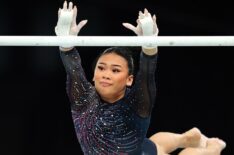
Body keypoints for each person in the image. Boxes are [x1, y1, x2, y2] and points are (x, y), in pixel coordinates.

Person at [55, 1, 226, 155]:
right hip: (139, 150)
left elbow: (147, 72)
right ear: (93, 75)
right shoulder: (84, 100)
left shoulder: (136, 102)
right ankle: (186, 138)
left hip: (138, 150)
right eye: (101, 68)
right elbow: (73, 69)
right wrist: (65, 42)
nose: (106, 74)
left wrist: (149, 46)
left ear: (129, 79)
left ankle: (214, 146)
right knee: (152, 147)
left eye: (115, 70)